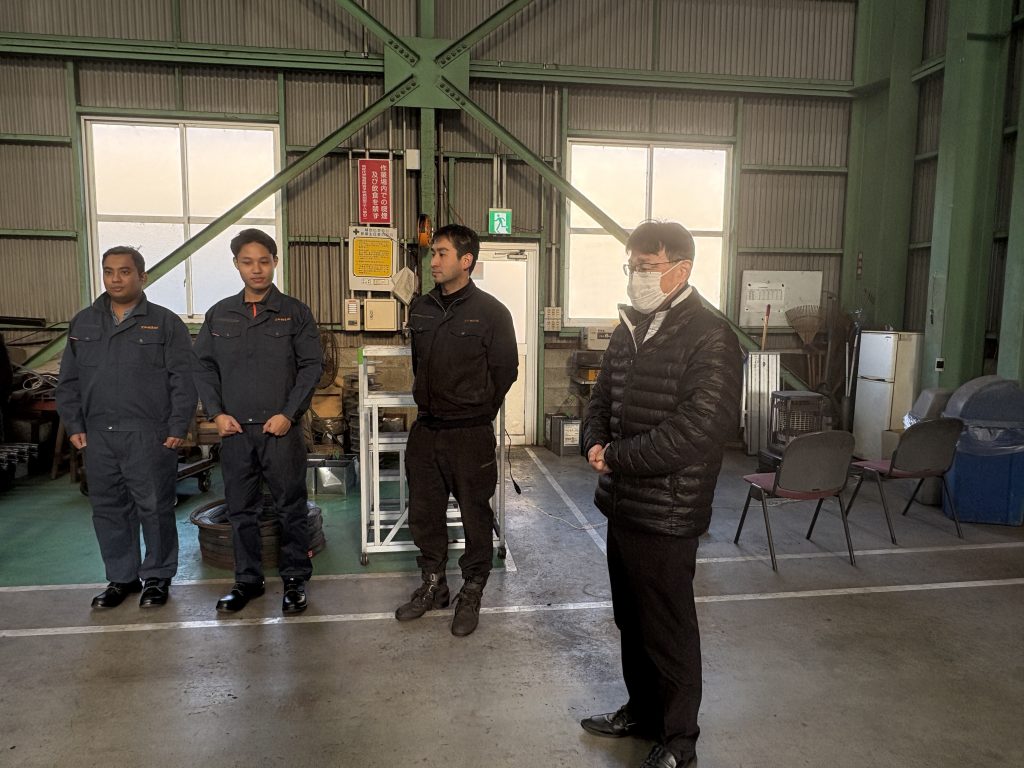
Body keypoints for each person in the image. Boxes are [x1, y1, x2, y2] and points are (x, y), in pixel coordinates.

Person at [579, 221, 743, 768]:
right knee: (631, 621)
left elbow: (698, 429)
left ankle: (678, 741)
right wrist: (593, 439)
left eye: (646, 267)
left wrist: (617, 456)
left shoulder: (711, 336)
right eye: (632, 266)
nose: (636, 277)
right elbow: (601, 398)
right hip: (623, 503)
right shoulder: (629, 328)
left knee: (668, 630)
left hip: (669, 511)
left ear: (682, 269)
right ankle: (643, 712)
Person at [394, 224, 518, 637]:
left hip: (470, 433)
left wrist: (478, 408)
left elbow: (506, 370)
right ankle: (434, 586)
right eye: (433, 253)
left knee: (474, 514)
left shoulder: (492, 312)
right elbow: (418, 364)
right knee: (424, 513)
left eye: (442, 253)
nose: (434, 261)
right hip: (427, 431)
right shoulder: (421, 308)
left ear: (466, 261)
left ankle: (472, 590)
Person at [56, 246, 197, 609]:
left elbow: (183, 380)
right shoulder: (84, 323)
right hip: (98, 434)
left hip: (149, 433)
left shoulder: (165, 323)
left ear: (141, 276)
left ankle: (158, 577)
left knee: (155, 508)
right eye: (108, 271)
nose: (115, 279)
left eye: (124, 271)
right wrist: (74, 423)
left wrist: (178, 425)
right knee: (108, 508)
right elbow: (68, 380)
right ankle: (122, 578)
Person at [193, 229, 322, 615]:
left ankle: (295, 580)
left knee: (290, 507)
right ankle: (247, 581)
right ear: (236, 264)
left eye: (264, 261)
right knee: (241, 509)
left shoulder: (295, 313)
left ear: (275, 262)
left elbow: (311, 366)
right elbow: (203, 366)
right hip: (235, 432)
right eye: (248, 262)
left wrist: (289, 414)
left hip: (279, 431)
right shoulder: (220, 314)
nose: (257, 269)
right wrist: (217, 413)